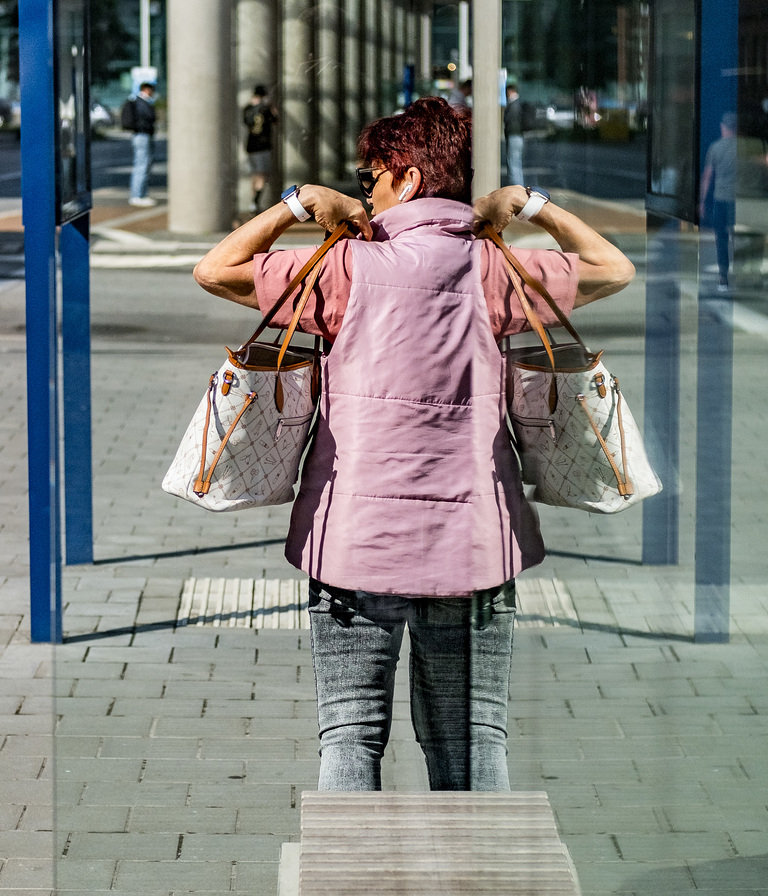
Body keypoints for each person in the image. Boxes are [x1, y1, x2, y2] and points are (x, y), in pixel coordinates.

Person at [193, 97, 634, 791]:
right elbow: (613, 268)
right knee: (473, 733)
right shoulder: (495, 270)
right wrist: (528, 203)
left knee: (349, 729)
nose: (361, 193)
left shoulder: (342, 270)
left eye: (368, 179)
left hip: (354, 543)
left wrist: (301, 203)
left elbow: (215, 270)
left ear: (406, 176)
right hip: (474, 546)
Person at [699, 112, 737, 292]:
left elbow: (707, 177)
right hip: (741, 200)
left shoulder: (715, 148)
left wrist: (701, 202)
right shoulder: (746, 148)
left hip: (721, 199)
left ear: (723, 127)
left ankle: (723, 278)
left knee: (721, 239)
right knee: (741, 236)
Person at [243, 84, 278, 214]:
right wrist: (272, 107)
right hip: (263, 146)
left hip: (251, 146)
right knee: (263, 174)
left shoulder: (247, 108)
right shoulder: (266, 108)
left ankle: (254, 203)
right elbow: (275, 119)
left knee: (255, 174)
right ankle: (255, 201)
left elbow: (246, 122)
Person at [127, 82, 157, 208]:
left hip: (141, 135)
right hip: (142, 135)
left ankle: (141, 194)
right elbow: (148, 117)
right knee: (142, 165)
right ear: (146, 90)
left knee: (144, 164)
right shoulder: (141, 102)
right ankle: (137, 195)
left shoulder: (138, 101)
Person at [504, 81, 525, 186]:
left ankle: (516, 187)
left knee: (513, 164)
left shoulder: (514, 104)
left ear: (509, 91)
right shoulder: (519, 103)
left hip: (514, 136)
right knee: (516, 163)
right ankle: (518, 186)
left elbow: (510, 121)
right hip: (518, 136)